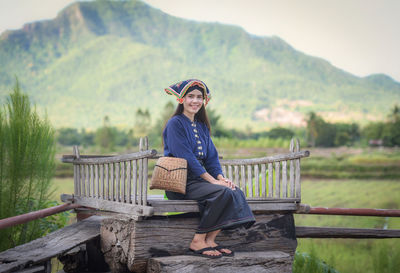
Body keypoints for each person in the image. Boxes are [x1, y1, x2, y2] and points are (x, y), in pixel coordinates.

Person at [163, 79, 255, 259]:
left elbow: (212, 158)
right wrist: (212, 181)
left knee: (233, 190)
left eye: (199, 97)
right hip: (181, 183)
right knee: (222, 192)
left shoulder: (202, 126)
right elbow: (187, 158)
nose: (195, 101)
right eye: (191, 96)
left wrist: (220, 178)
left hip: (200, 182)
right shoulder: (175, 124)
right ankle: (198, 240)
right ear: (181, 99)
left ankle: (211, 239)